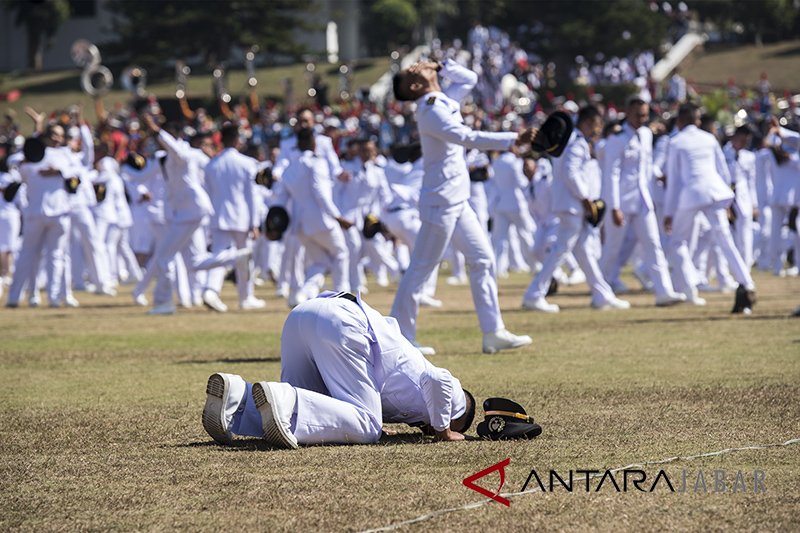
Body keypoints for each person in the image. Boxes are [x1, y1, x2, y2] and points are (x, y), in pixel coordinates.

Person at [201, 291, 475, 448]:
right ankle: (285, 400)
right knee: (366, 427)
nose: (427, 432)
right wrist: (445, 430)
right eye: (457, 424)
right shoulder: (454, 401)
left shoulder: (411, 414)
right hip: (342, 324)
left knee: (292, 404)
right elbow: (438, 379)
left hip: (304, 315)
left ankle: (237, 397)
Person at [389, 58, 533, 354]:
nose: (420, 65)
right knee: (421, 269)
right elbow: (465, 137)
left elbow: (468, 78)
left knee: (482, 259)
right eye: (416, 70)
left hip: (457, 198)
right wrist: (513, 139)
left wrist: (441, 64)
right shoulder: (429, 110)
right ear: (416, 86)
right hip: (440, 200)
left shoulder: (441, 99)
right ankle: (401, 337)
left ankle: (493, 332)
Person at [522, 105, 630, 313]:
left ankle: (602, 295)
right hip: (573, 205)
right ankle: (534, 294)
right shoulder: (578, 143)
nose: (597, 131)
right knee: (560, 252)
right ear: (588, 122)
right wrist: (586, 198)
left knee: (584, 254)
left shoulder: (569, 141)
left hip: (568, 204)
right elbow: (571, 173)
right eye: (596, 126)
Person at [663, 103, 757, 313]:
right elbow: (723, 172)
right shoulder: (709, 138)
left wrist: (669, 212)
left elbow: (675, 181)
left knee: (677, 242)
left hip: (691, 194)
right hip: (715, 192)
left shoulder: (676, 141)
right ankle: (747, 282)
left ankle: (690, 288)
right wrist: (728, 201)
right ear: (697, 121)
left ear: (679, 121)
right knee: (725, 240)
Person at [600, 97, 684, 307]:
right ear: (628, 113)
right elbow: (612, 174)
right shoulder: (616, 139)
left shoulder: (646, 134)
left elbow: (645, 170)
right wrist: (614, 206)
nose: (642, 119)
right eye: (638, 115)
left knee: (653, 245)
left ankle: (664, 291)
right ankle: (601, 291)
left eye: (645, 115)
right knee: (612, 248)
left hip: (643, 200)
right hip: (621, 201)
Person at [272, 128, 351, 305]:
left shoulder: (290, 167)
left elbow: (281, 197)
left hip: (299, 223)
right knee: (341, 253)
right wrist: (338, 217)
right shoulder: (317, 162)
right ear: (312, 143)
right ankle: (343, 296)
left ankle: (302, 294)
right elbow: (320, 193)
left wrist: (275, 221)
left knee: (320, 261)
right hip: (320, 220)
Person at [202, 123, 265, 312]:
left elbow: (209, 192)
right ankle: (245, 296)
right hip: (241, 218)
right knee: (244, 257)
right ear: (237, 140)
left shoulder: (212, 164)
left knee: (219, 256)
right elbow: (251, 195)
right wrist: (254, 222)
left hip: (219, 216)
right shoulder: (247, 163)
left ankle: (211, 291)